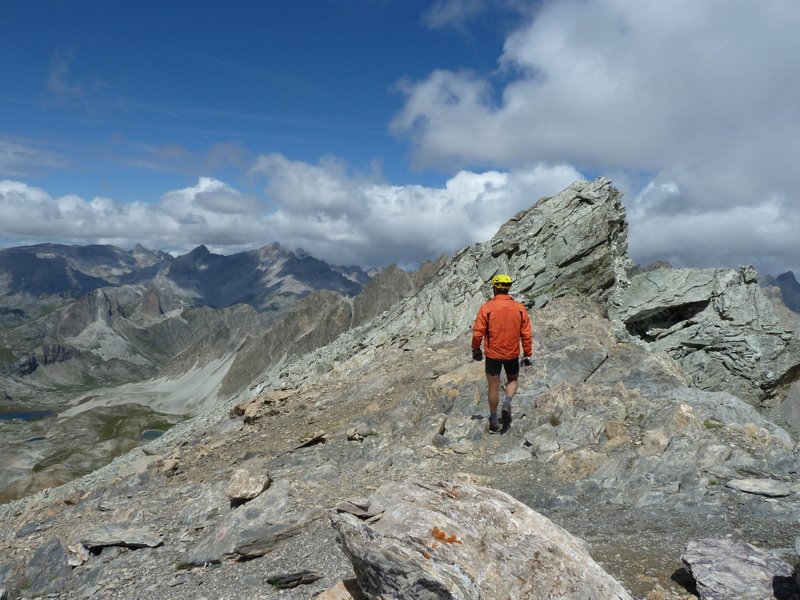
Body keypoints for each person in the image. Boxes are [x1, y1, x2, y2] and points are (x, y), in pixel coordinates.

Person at [471, 274, 532, 433]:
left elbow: (478, 333)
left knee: (493, 386)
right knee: (513, 380)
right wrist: (527, 353)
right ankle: (507, 402)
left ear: (495, 288)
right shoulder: (519, 308)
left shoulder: (487, 308)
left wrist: (475, 349)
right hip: (512, 354)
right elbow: (526, 334)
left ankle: (493, 419)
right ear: (509, 288)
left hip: (493, 355)